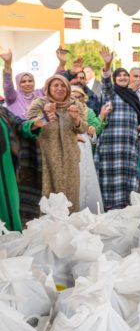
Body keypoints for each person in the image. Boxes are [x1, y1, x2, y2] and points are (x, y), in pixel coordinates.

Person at [24, 75, 89, 213]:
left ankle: (70, 223)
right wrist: (44, 114)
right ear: (48, 88)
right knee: (47, 192)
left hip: (70, 156)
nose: (60, 88)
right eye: (56, 85)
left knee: (70, 193)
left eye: (63, 85)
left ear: (68, 88)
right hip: (46, 156)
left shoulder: (75, 104)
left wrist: (76, 119)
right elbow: (29, 125)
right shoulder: (39, 103)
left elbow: (83, 129)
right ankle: (48, 223)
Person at [97, 50, 140, 211]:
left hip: (129, 144)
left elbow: (138, 116)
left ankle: (126, 205)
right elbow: (105, 82)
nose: (123, 77)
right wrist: (107, 64)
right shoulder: (111, 93)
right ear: (115, 78)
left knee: (127, 173)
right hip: (111, 144)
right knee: (111, 175)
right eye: (119, 75)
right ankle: (110, 206)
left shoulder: (133, 96)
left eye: (125, 75)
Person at [0, 104, 44, 231]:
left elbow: (19, 125)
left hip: (6, 165)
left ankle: (11, 237)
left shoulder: (2, 111)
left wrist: (33, 124)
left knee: (9, 203)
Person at [69, 84, 105, 213]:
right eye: (73, 96)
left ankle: (88, 208)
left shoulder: (88, 111)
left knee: (86, 175)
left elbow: (95, 128)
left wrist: (92, 131)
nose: (76, 99)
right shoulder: (64, 109)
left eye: (79, 97)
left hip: (85, 144)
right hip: (69, 145)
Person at [1, 46, 43, 118]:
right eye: (23, 82)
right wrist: (7, 65)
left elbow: (54, 84)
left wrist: (61, 64)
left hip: (42, 125)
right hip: (20, 125)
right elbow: (7, 85)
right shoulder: (13, 97)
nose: (27, 84)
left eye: (30, 81)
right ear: (18, 84)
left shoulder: (40, 93)